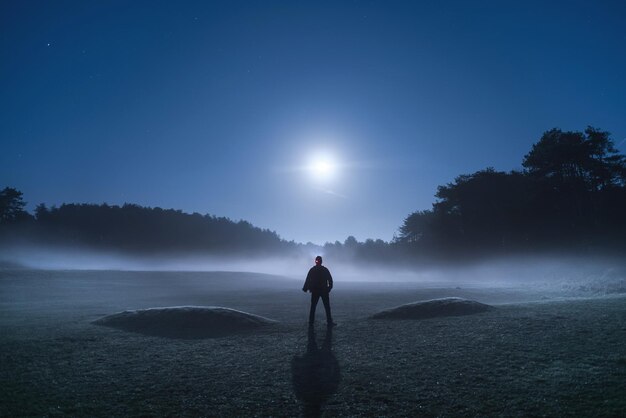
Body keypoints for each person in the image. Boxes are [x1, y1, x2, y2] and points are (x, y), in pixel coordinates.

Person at [302, 255, 336, 327]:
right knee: (326, 307)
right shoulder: (325, 270)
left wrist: (305, 288)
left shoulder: (312, 270)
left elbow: (308, 279)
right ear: (321, 261)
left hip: (315, 291)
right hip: (323, 291)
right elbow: (330, 280)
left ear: (315, 261)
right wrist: (329, 288)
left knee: (313, 307)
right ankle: (329, 321)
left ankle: (311, 322)